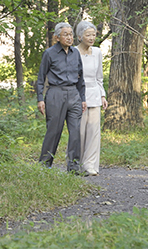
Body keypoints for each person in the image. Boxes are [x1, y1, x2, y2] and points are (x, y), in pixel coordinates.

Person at [37, 22, 87, 173]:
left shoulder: (75, 53)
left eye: (71, 34)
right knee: (54, 131)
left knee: (76, 131)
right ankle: (45, 165)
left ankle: (73, 167)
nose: (69, 37)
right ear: (57, 37)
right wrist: (40, 99)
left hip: (74, 94)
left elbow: (81, 78)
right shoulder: (49, 53)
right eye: (66, 34)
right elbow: (40, 78)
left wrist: (82, 98)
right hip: (55, 94)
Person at [76, 20, 108, 176]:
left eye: (93, 35)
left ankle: (90, 165)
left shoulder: (97, 52)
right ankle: (77, 163)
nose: (91, 38)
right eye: (88, 35)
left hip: (94, 94)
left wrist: (102, 95)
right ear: (80, 36)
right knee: (80, 132)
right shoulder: (73, 52)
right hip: (78, 96)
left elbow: (99, 77)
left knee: (93, 132)